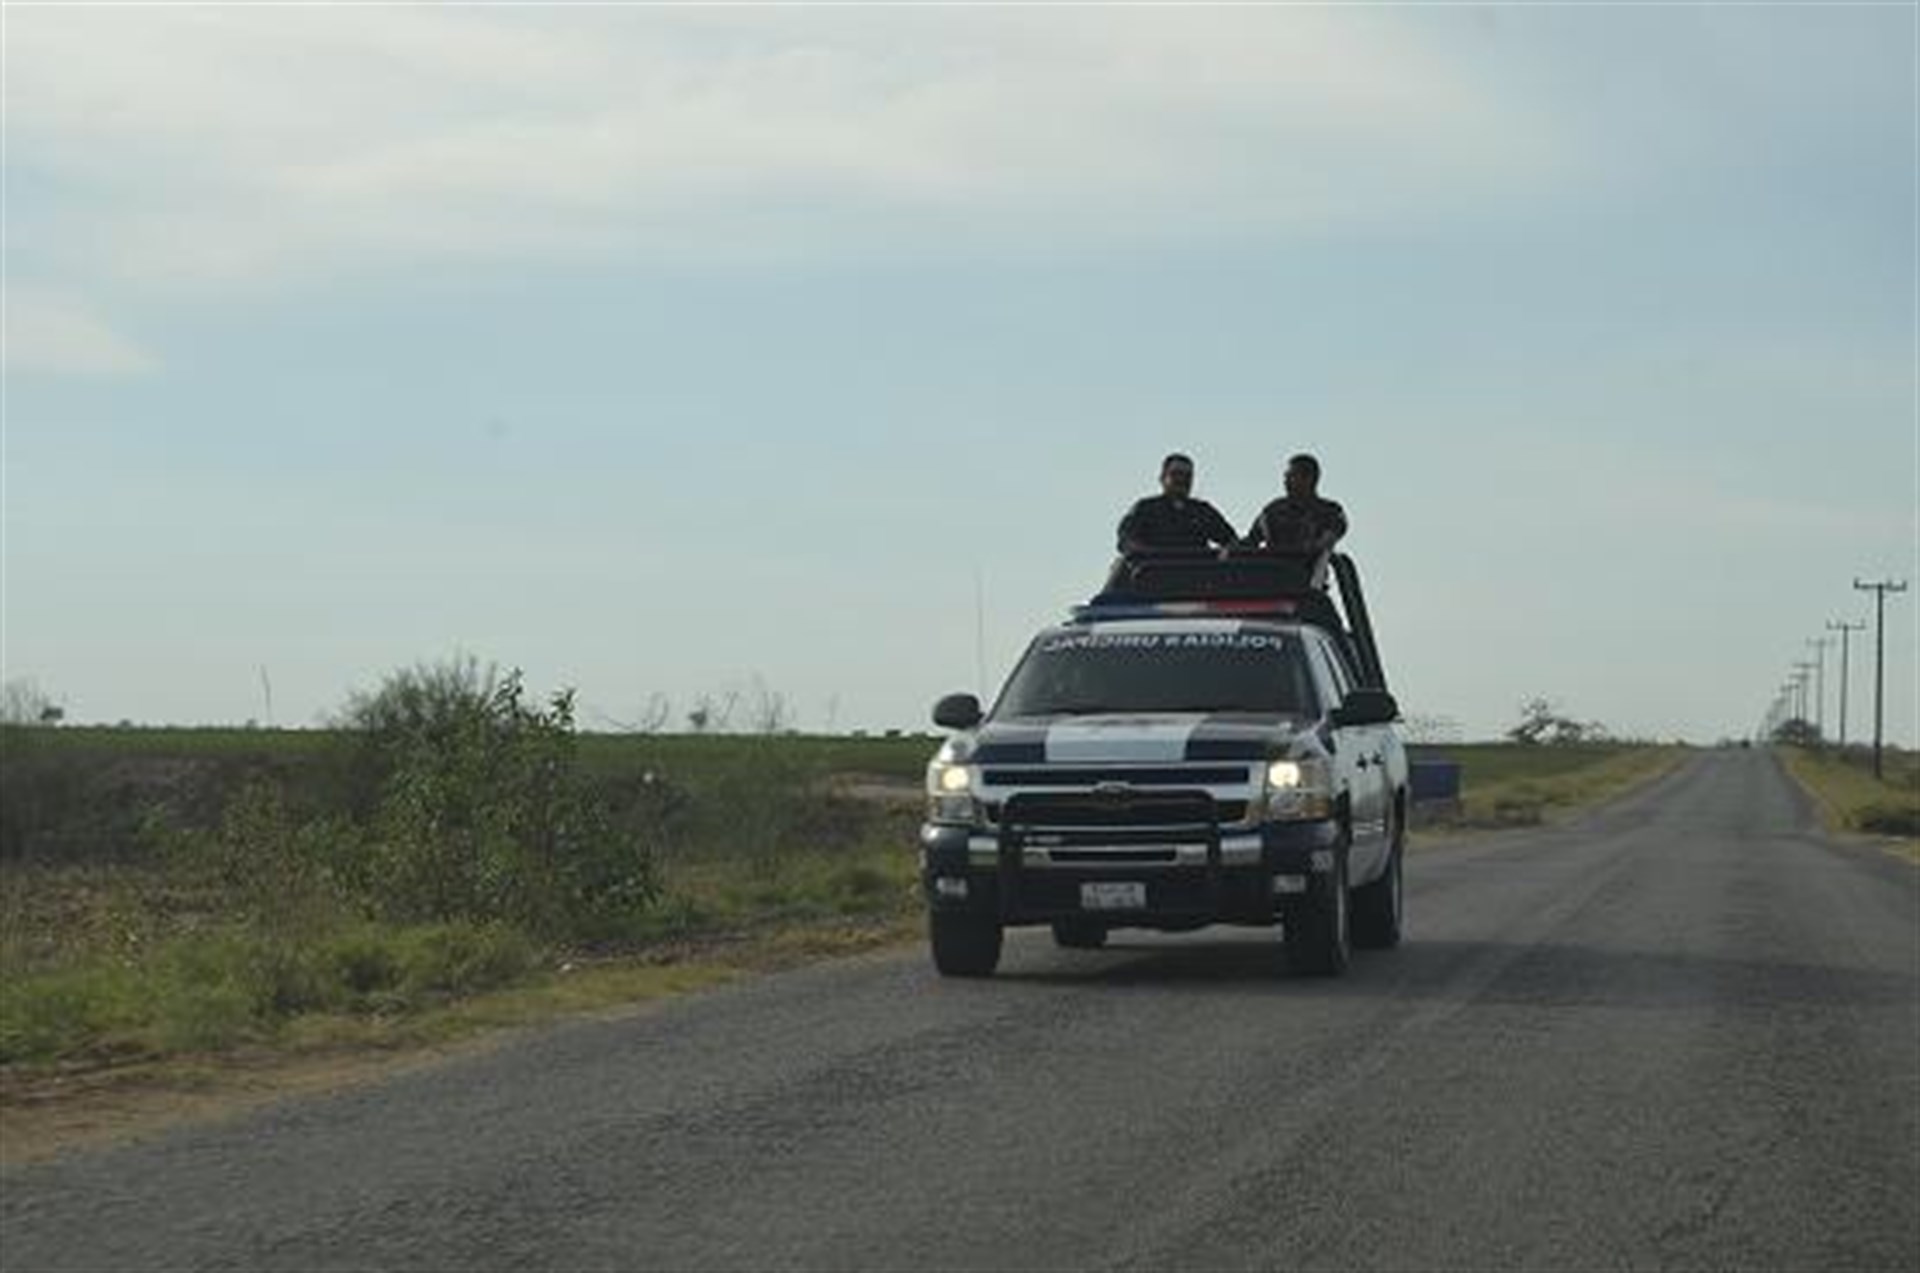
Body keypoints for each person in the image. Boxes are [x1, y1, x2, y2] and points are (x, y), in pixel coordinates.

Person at [1115, 453, 1239, 555]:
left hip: (1199, 578)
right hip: (1155, 577)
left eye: (1188, 476)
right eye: (1176, 474)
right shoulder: (1146, 509)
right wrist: (1140, 551)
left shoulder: (1203, 512)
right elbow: (1126, 539)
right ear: (1162, 478)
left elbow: (1231, 541)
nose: (1182, 480)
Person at [1243, 453, 1348, 556]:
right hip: (1271, 569)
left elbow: (1326, 541)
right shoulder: (1273, 510)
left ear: (1309, 478)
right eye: (1286, 477)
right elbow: (1251, 541)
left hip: (1307, 570)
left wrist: (1312, 547)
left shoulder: (1330, 512)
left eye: (1291, 476)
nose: (1286, 481)